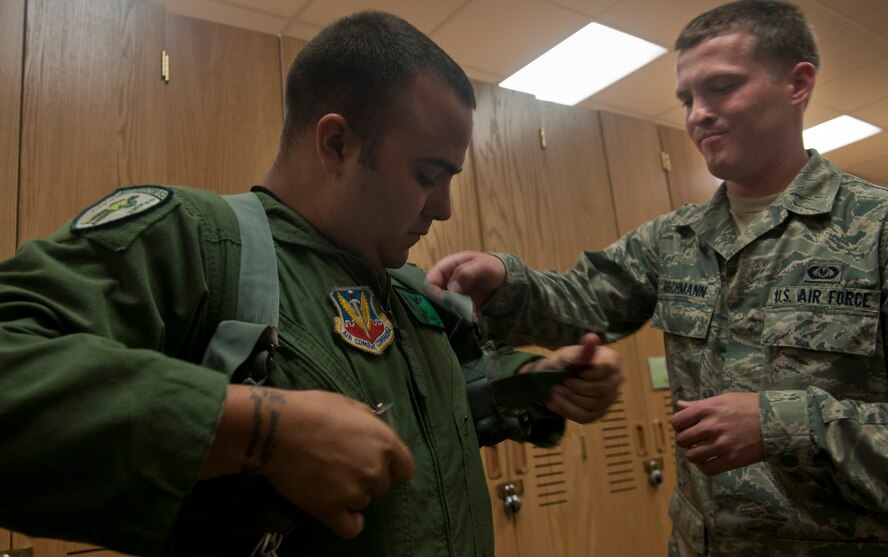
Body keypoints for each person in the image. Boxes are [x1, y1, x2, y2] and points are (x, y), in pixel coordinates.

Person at [0, 9, 622, 557]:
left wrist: (534, 383)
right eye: (430, 174)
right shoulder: (197, 239)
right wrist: (261, 429)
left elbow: (441, 400)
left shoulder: (409, 289)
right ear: (337, 143)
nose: (444, 208)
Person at [427, 1, 888, 555]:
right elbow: (579, 303)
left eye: (721, 87)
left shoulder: (873, 228)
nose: (698, 114)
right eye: (688, 99)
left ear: (798, 83)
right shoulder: (674, 239)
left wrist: (783, 422)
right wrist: (502, 279)